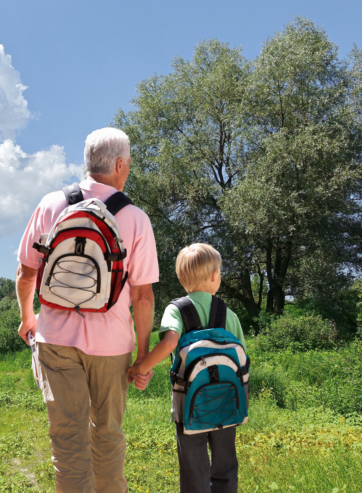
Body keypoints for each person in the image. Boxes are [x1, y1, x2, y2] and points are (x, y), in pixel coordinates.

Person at [16, 127, 159, 492]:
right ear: (120, 164)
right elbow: (142, 296)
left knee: (67, 437)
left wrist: (27, 317)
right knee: (107, 433)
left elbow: (25, 271)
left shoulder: (51, 204)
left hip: (56, 341)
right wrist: (143, 355)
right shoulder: (136, 218)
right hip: (111, 346)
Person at [127, 244, 246, 493]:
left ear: (182, 280)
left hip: (189, 403)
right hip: (226, 403)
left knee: (194, 468)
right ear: (215, 276)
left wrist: (141, 367)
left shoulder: (176, 310)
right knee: (225, 466)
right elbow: (243, 361)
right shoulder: (229, 315)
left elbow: (169, 342)